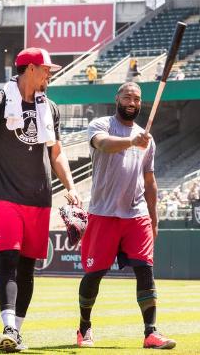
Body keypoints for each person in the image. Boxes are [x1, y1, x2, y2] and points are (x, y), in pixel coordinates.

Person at [0, 47, 81, 353]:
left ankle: (16, 333)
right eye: (45, 69)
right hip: (4, 196)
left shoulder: (50, 108)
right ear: (28, 68)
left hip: (40, 199)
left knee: (27, 268)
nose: (49, 74)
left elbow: (56, 152)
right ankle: (9, 326)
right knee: (8, 260)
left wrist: (71, 185)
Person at [76, 82, 176, 349]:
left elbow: (150, 180)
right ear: (117, 99)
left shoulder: (147, 138)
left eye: (137, 98)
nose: (132, 102)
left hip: (136, 214)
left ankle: (151, 332)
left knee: (145, 270)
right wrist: (132, 141)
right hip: (103, 212)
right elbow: (104, 145)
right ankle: (84, 327)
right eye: (127, 97)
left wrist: (154, 217)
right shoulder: (101, 125)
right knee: (94, 273)